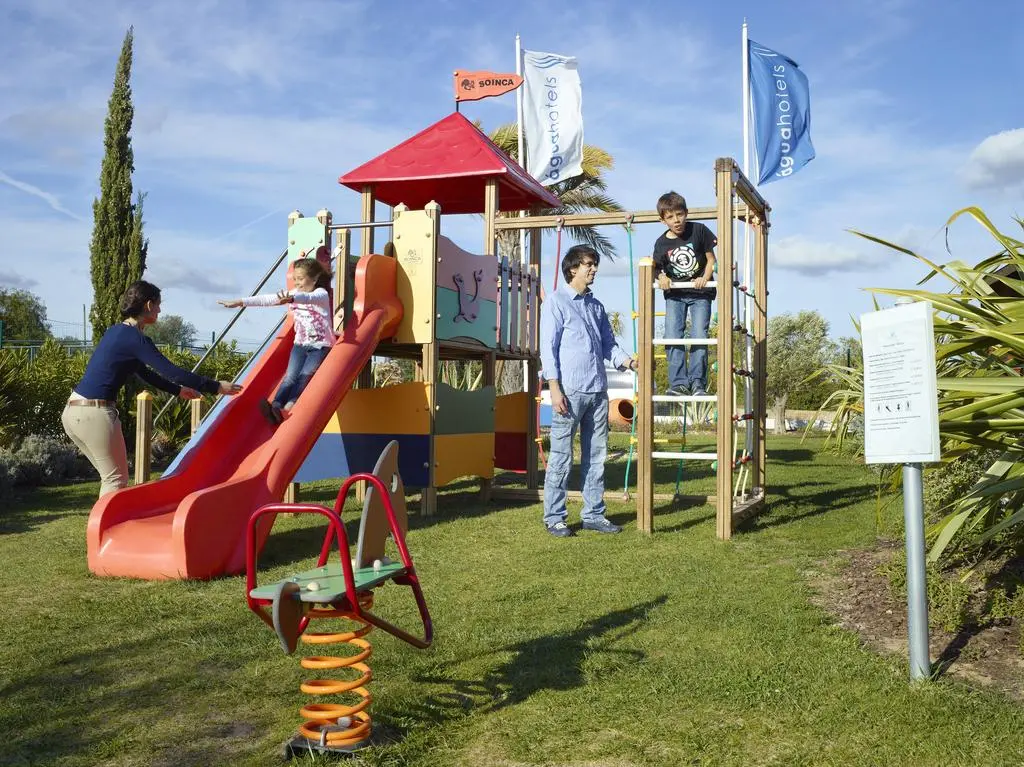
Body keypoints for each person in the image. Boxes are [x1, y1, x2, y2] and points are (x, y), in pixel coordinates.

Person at [62, 280, 242, 498]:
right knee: (115, 480)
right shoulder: (136, 339)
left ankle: (107, 521)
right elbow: (172, 371)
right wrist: (216, 386)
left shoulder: (116, 332)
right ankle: (108, 522)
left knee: (110, 478)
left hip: (73, 412)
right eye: (158, 305)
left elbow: (144, 372)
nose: (159, 310)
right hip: (94, 413)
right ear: (148, 305)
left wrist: (178, 391)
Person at [540, 244, 638, 538]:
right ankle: (555, 518)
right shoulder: (556, 302)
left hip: (597, 392)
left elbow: (609, 345)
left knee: (596, 457)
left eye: (595, 264)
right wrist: (554, 388)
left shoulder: (596, 306)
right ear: (573, 269)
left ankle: (593, 515)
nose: (594, 269)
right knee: (561, 457)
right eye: (588, 264)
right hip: (568, 392)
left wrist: (630, 362)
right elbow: (548, 349)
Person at [219, 257, 335, 425]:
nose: (297, 283)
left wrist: (291, 299)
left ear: (315, 278)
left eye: (300, 278)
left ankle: (288, 407)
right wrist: (240, 302)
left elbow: (306, 298)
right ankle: (275, 406)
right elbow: (268, 299)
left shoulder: (321, 294)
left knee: (305, 376)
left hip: (320, 346)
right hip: (300, 345)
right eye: (294, 279)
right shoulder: (294, 293)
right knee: (290, 377)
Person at [652, 191, 717, 397]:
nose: (676, 220)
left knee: (699, 336)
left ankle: (697, 382)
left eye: (679, 214)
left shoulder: (699, 230)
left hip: (700, 293)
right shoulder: (661, 243)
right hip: (675, 295)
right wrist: (661, 277)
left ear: (686, 213)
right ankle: (679, 383)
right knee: (673, 335)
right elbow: (655, 268)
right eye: (670, 217)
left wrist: (705, 277)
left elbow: (711, 260)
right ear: (663, 220)